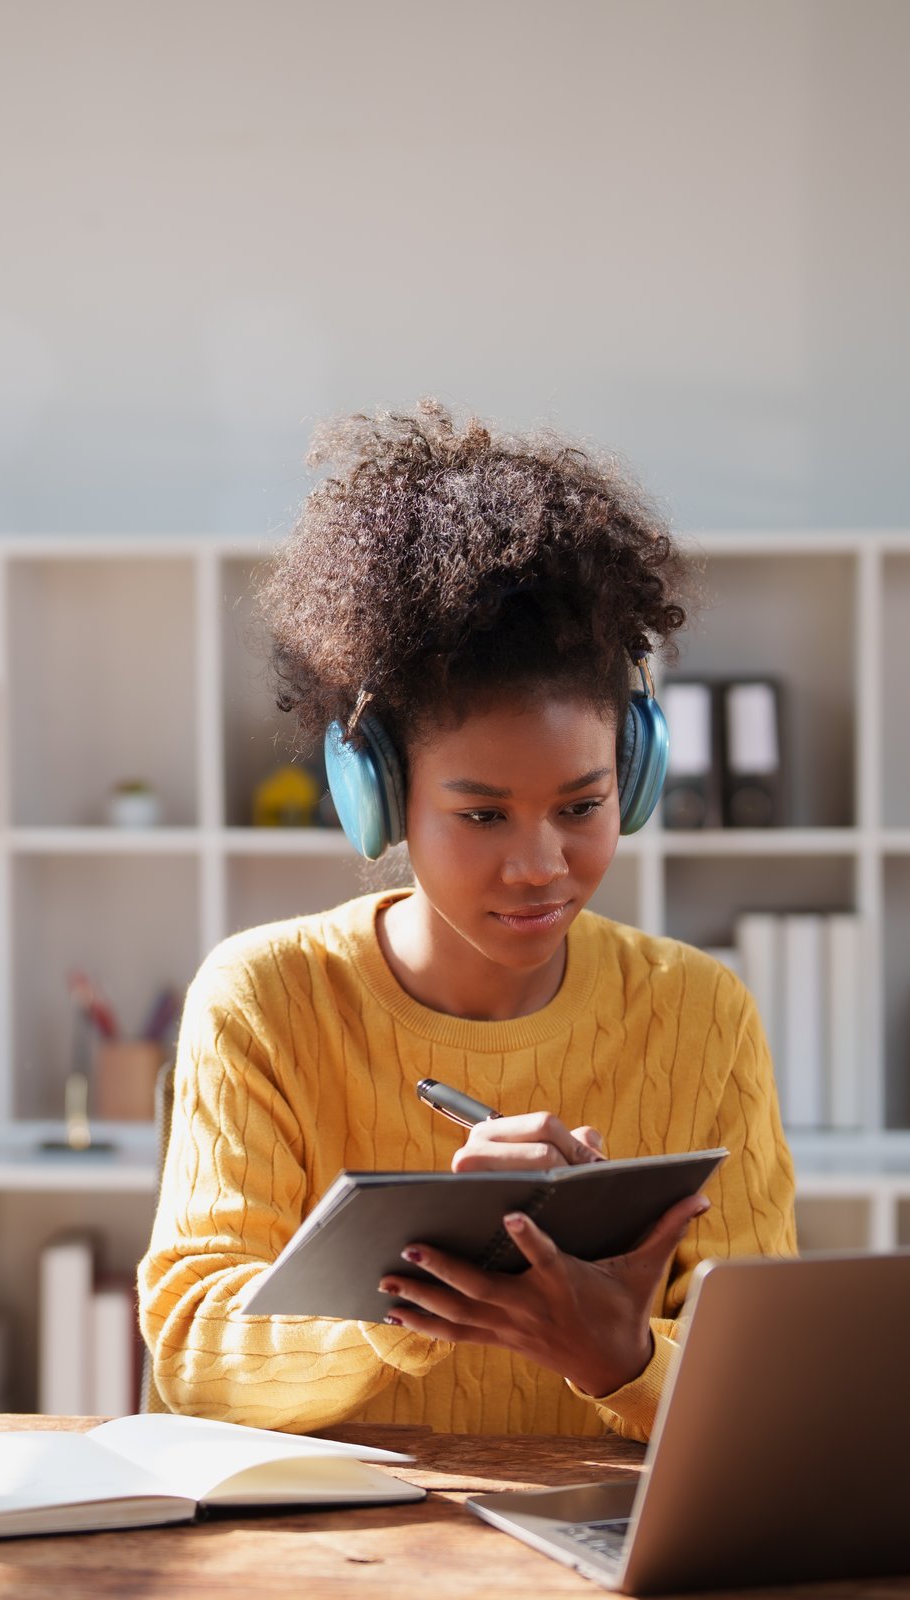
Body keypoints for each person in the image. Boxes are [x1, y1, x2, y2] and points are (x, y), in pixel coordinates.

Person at [138, 401, 797, 1441]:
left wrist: (618, 1356)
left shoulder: (699, 1012)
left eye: (581, 806)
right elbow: (192, 1362)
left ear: (634, 779)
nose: (541, 865)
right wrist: (432, 1268)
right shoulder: (264, 997)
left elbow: (770, 1384)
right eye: (482, 813)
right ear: (379, 794)